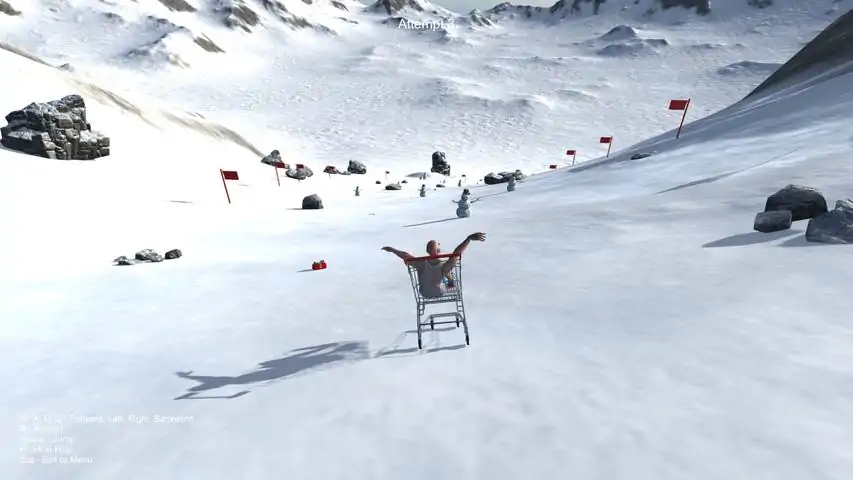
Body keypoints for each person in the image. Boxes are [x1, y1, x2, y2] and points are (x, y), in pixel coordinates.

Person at [382, 232, 486, 298]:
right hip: (440, 292)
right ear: (438, 250)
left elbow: (405, 255)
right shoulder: (444, 266)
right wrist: (468, 239)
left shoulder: (421, 264)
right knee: (449, 276)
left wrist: (392, 250)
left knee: (446, 273)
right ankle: (449, 278)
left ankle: (447, 277)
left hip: (425, 293)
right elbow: (456, 254)